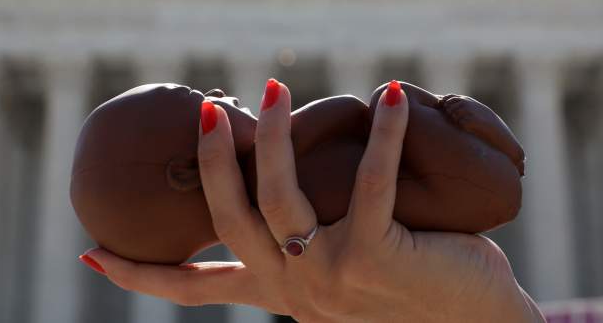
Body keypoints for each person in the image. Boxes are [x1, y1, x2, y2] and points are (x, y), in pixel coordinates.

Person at [79, 80, 546, 322]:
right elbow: (345, 110)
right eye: (202, 98)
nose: (221, 93)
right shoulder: (287, 170)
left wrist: (490, 312)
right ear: (184, 172)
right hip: (459, 173)